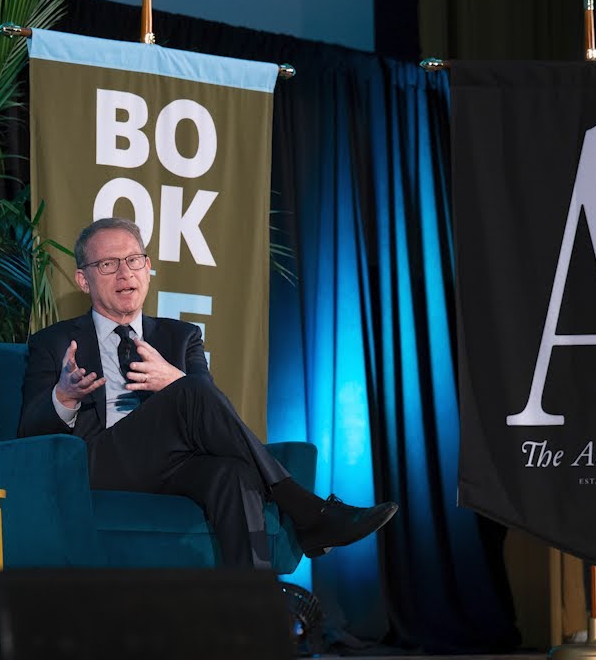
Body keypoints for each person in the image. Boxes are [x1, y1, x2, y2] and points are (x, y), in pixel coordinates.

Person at [20, 217, 398, 568]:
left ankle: (249, 609)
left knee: (231, 473)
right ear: (83, 280)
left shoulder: (181, 336)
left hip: (173, 464)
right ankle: (307, 510)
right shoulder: (53, 342)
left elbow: (210, 417)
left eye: (134, 260)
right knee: (192, 389)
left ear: (147, 268)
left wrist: (172, 380)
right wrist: (65, 396)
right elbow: (26, 433)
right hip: (97, 463)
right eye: (108, 264)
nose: (125, 273)